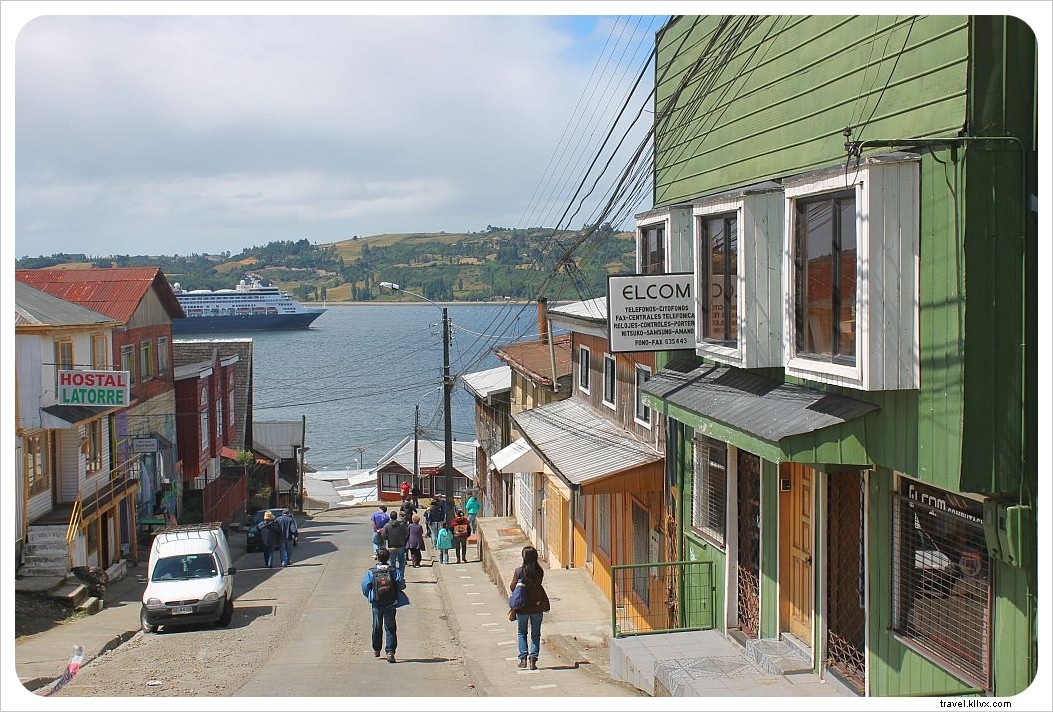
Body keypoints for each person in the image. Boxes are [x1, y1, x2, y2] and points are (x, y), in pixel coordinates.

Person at [360, 548, 409, 663]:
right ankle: (390, 651)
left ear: (377, 558)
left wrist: (372, 596)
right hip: (391, 603)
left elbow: (364, 587)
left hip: (377, 603)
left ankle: (377, 649)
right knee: (390, 627)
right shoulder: (394, 571)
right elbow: (401, 585)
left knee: (377, 626)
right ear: (388, 558)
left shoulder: (371, 572)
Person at [510, 545, 550, 670]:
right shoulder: (539, 571)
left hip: (522, 608)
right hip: (537, 606)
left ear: (524, 557)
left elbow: (512, 587)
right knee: (535, 634)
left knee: (522, 632)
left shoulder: (519, 571)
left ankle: (523, 659)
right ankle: (533, 659)